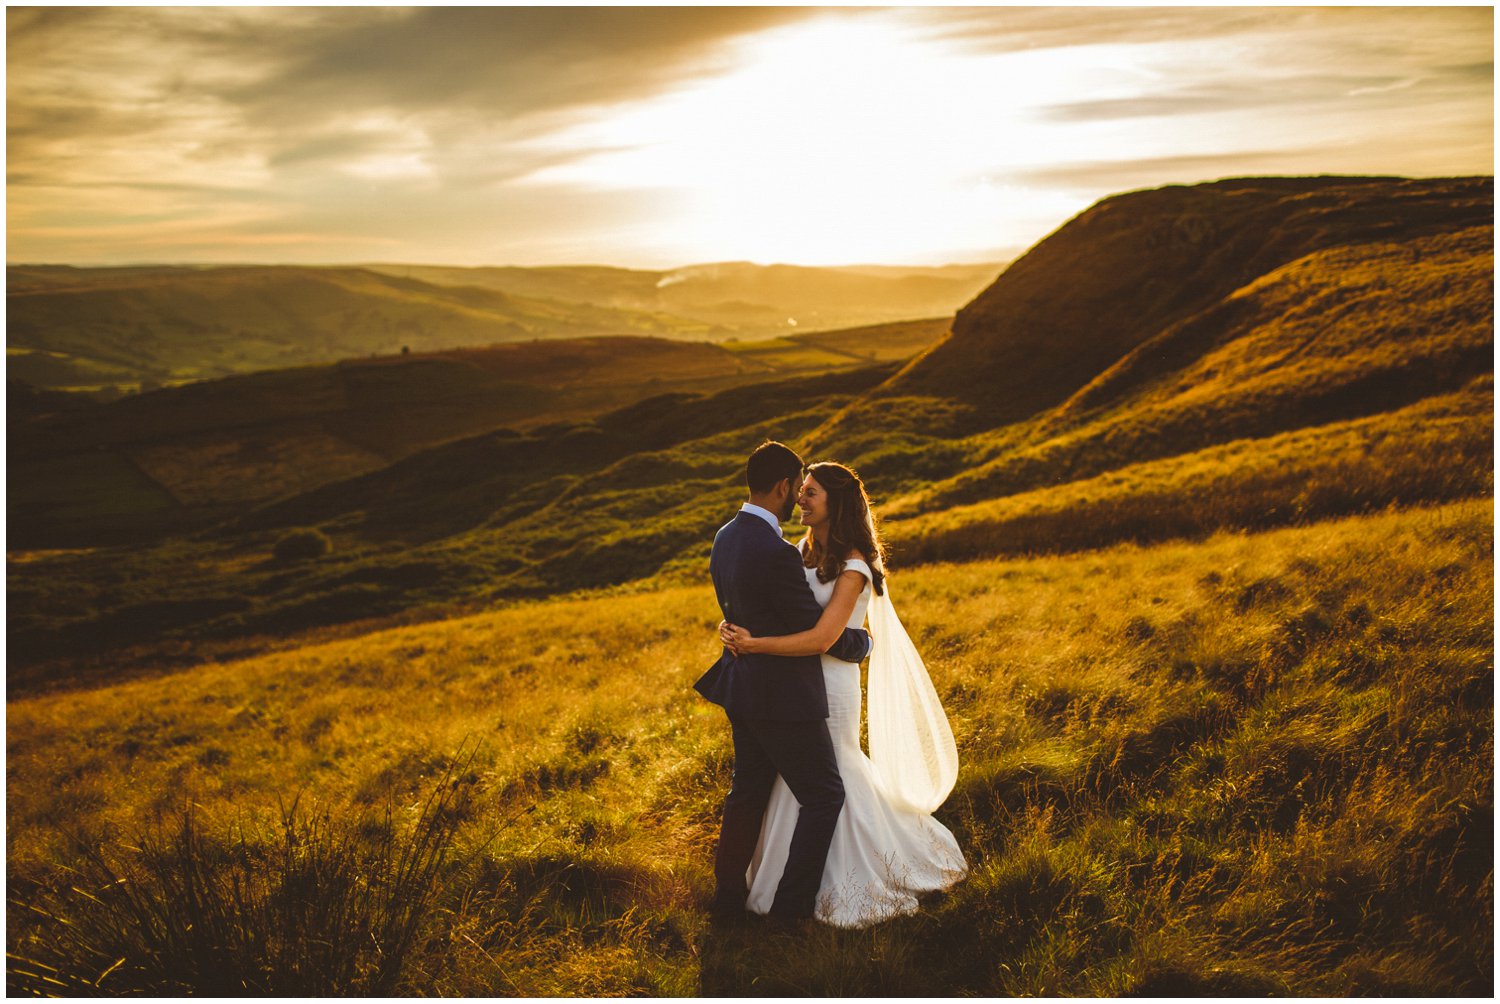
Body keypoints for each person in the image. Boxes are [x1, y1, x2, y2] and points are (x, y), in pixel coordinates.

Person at [717, 461, 967, 928]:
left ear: (837, 503)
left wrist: (754, 644)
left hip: (829, 686)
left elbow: (822, 639)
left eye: (811, 493)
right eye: (801, 490)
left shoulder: (853, 565)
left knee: (832, 775)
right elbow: (780, 610)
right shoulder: (796, 551)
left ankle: (843, 878)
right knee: (800, 784)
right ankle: (779, 887)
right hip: (792, 680)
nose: (801, 499)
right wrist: (733, 628)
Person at [694, 441, 874, 925]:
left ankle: (728, 899)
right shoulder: (778, 552)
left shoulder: (724, 536)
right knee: (823, 795)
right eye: (799, 487)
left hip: (743, 688)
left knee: (747, 790)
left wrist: (735, 632)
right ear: (782, 485)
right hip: (783, 696)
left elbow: (747, 608)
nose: (799, 497)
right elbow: (818, 634)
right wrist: (861, 645)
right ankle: (791, 911)